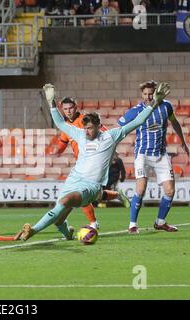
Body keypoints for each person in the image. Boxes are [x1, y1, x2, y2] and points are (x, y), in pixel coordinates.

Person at [18, 82, 170, 241]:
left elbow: (137, 121)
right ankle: (67, 233)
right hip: (73, 179)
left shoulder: (110, 136)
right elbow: (61, 123)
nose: (87, 132)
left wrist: (154, 103)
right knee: (59, 216)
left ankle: (33, 230)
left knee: (66, 201)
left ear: (98, 126)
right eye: (85, 128)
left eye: (90, 128)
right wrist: (51, 103)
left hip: (91, 185)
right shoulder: (80, 134)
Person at [47, 96, 130, 231]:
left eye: (71, 108)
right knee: (95, 195)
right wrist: (56, 151)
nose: (68, 111)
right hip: (82, 164)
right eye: (65, 109)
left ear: (76, 107)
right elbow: (63, 143)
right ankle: (117, 195)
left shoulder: (85, 121)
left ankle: (93, 223)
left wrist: (112, 152)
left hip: (95, 161)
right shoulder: (67, 126)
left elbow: (105, 135)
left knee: (82, 194)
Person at [118, 80, 189, 234]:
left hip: (161, 154)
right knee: (141, 189)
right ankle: (132, 225)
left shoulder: (166, 106)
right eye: (145, 94)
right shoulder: (137, 110)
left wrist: (182, 141)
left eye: (151, 93)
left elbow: (174, 122)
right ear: (141, 95)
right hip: (142, 154)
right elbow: (121, 123)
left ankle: (160, 222)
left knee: (170, 191)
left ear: (156, 92)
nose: (148, 97)